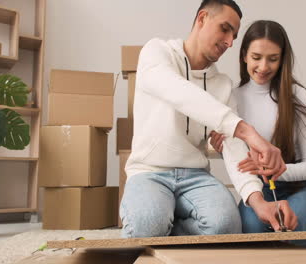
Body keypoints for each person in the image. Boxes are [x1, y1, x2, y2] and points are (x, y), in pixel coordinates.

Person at [120, 1, 293, 238]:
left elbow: (234, 149)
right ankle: (156, 221)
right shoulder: (156, 52)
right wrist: (247, 131)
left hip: (195, 176)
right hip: (149, 171)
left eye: (234, 34)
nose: (230, 42)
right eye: (225, 28)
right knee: (146, 227)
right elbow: (180, 92)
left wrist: (257, 200)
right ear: (202, 18)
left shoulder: (221, 85)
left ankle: (165, 225)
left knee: (227, 227)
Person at [210, 20, 306, 248]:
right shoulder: (232, 98)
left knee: (293, 225)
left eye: (272, 59)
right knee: (252, 229)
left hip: (299, 187)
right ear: (244, 56)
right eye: (256, 57)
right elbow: (242, 163)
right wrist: (222, 149)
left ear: (282, 59)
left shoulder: (296, 94)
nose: (263, 67)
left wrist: (273, 171)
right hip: (258, 191)